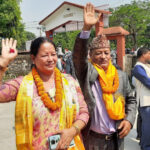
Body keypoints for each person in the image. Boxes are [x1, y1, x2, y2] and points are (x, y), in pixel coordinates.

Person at [0, 37, 89, 150]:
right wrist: (2, 63)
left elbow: (84, 112)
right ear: (33, 58)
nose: (50, 59)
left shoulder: (70, 82)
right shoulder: (22, 85)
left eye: (53, 54)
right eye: (44, 55)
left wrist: (73, 131)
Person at [72, 3, 136, 150]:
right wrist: (86, 29)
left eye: (106, 53)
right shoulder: (87, 72)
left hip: (117, 139)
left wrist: (129, 121)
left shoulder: (120, 76)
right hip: (94, 140)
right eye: (98, 53)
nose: (103, 56)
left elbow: (131, 100)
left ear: (111, 55)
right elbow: (78, 57)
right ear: (91, 56)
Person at [132, 47, 150, 150]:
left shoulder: (146, 66)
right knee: (147, 127)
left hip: (148, 101)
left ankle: (144, 144)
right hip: (145, 102)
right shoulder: (138, 68)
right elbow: (147, 82)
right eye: (149, 53)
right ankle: (146, 147)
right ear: (143, 54)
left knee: (147, 126)